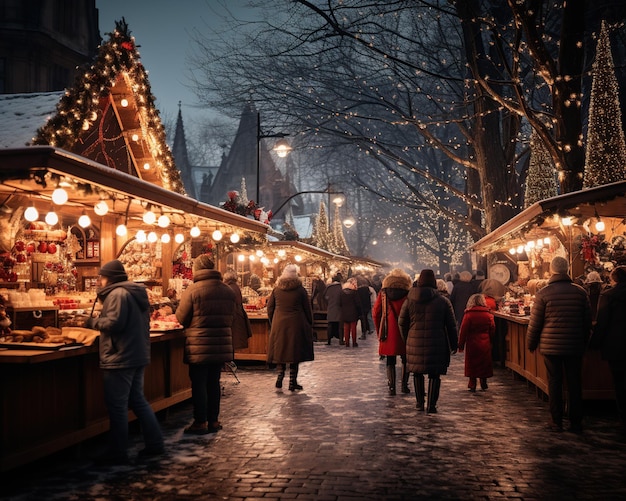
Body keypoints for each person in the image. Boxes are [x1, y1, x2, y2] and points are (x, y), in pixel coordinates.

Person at [85, 259, 164, 463]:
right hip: (136, 353)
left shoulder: (117, 294)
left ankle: (118, 452)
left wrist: (92, 322)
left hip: (120, 355)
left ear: (108, 278)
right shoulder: (134, 292)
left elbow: (114, 323)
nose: (99, 281)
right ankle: (155, 443)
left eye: (101, 277)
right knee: (137, 400)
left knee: (118, 406)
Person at [527, 256, 592, 434]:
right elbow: (587, 322)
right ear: (567, 270)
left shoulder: (543, 293)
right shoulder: (580, 293)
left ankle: (556, 421)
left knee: (554, 383)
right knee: (574, 383)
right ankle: (576, 421)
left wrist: (531, 343)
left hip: (551, 347)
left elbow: (535, 323)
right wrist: (584, 341)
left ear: (553, 271)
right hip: (574, 345)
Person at [176, 255, 237, 434]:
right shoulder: (227, 291)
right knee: (213, 383)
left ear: (197, 269)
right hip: (221, 344)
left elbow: (181, 318)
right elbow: (231, 318)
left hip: (199, 345)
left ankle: (200, 421)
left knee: (199, 383)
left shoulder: (193, 290)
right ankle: (214, 421)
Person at [399, 269, 458, 414]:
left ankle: (419, 403)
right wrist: (454, 343)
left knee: (417, 373)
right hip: (437, 343)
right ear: (434, 282)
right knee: (434, 374)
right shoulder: (443, 301)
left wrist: (407, 339)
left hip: (414, 342)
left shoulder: (409, 300)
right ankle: (431, 405)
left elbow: (401, 322)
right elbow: (451, 325)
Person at [267, 264, 314, 391]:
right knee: (295, 353)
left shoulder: (276, 289)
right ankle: (293, 381)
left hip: (279, 324)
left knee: (280, 350)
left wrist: (274, 321)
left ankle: (280, 376)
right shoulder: (300, 290)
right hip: (296, 324)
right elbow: (307, 309)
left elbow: (270, 307)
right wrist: (310, 322)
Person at [590, 265, 626, 434]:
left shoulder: (609, 296)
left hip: (616, 346)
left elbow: (602, 323)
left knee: (619, 382)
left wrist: (594, 344)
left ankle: (623, 417)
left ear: (614, 279)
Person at [372, 268, 412, 395]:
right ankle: (404, 385)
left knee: (390, 359)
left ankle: (391, 387)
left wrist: (380, 331)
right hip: (406, 329)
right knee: (406, 358)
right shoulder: (409, 293)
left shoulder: (383, 294)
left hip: (389, 330)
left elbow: (376, 313)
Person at [458, 293, 495, 392]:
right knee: (484, 362)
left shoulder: (468, 314)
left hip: (472, 342)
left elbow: (463, 330)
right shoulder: (488, 314)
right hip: (485, 341)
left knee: (472, 362)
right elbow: (492, 328)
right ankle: (483, 381)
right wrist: (491, 340)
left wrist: (461, 345)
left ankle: (472, 382)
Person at [223, 269, 253, 352]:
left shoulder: (228, 288)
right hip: (237, 318)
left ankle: (229, 363)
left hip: (233, 320)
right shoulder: (235, 287)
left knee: (230, 344)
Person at [340, 277, 362, 348]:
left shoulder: (342, 293)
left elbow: (339, 303)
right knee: (353, 329)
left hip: (344, 313)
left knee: (346, 329)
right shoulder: (354, 293)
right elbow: (358, 303)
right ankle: (354, 342)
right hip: (353, 312)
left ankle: (347, 343)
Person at [325, 274, 343, 345]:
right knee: (340, 325)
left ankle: (328, 341)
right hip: (339, 308)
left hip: (330, 308)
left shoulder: (329, 288)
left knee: (330, 324)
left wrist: (328, 303)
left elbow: (324, 297)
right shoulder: (340, 287)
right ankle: (341, 340)